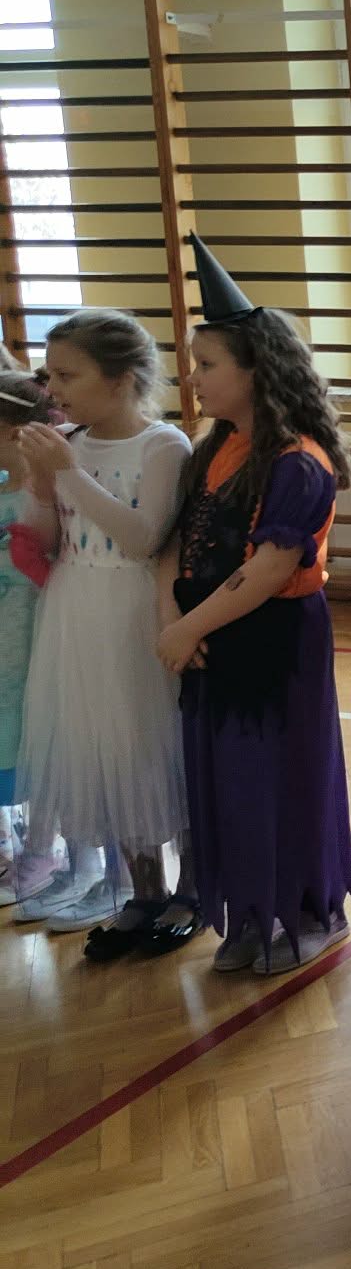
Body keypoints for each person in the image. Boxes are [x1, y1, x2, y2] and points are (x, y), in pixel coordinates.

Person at [160, 237, 351, 974]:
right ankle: (248, 910)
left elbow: (270, 569)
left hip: (274, 642)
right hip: (210, 638)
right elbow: (175, 547)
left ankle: (308, 911)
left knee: (283, 775)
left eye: (207, 364)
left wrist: (187, 627)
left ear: (255, 370)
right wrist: (177, 626)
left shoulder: (298, 461)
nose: (194, 377)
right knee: (228, 781)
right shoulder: (210, 451)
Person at [14, 311, 192, 951]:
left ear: (120, 380)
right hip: (75, 606)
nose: (53, 388)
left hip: (133, 607)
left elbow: (144, 539)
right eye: (50, 374)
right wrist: (41, 485)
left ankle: (191, 886)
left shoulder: (163, 445)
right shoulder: (69, 443)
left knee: (150, 743)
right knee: (99, 746)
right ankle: (144, 891)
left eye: (68, 375)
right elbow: (44, 538)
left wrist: (67, 472)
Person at [0, 366, 55, 905]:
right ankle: (7, 847)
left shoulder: (41, 497)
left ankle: (40, 849)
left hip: (32, 638)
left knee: (34, 739)